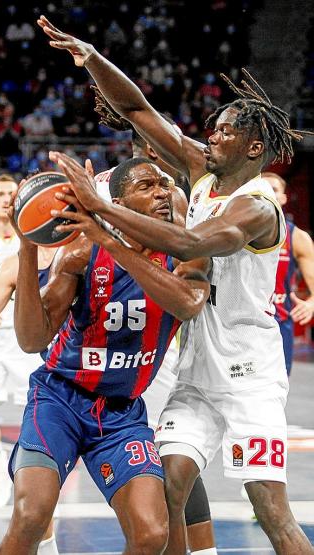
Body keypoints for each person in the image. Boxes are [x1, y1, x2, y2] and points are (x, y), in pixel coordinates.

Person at [38, 15, 314, 555]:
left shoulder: (256, 208)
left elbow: (191, 245)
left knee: (270, 510)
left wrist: (100, 209)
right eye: (213, 128)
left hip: (249, 376)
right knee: (168, 485)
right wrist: (94, 59)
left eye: (226, 130)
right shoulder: (203, 172)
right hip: (197, 373)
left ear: (254, 148)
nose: (212, 135)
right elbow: (139, 112)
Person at [0, 158, 210, 555]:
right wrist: (27, 247)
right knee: (30, 516)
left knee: (150, 533)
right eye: (146, 187)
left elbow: (188, 304)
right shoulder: (81, 253)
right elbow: (31, 339)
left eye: (164, 184)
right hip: (59, 400)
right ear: (119, 202)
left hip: (121, 413)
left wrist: (113, 240)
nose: (162, 192)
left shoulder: (188, 252)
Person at [92, 96, 216, 554]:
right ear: (145, 147)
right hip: (123, 334)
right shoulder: (167, 194)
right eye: (167, 144)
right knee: (159, 462)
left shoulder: (101, 189)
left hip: (127, 338)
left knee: (166, 461)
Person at [0, 245, 59, 555]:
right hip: (35, 371)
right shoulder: (10, 266)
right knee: (36, 495)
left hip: (81, 382)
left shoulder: (83, 253)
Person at [0, 173, 24, 508]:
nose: (5, 199)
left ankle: (26, 476)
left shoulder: (31, 235)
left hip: (28, 339)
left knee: (36, 416)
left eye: (10, 193)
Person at [263, 172, 314, 375]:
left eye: (273, 190)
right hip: (241, 325)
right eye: (262, 188)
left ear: (284, 198)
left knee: (274, 397)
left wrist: (311, 303)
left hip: (279, 326)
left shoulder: (297, 237)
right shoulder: (236, 231)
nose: (267, 193)